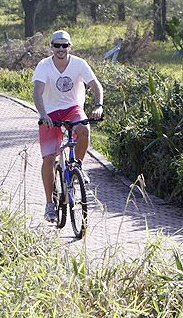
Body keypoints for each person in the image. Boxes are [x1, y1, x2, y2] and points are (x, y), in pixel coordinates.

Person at [32, 30, 104, 223]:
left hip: (72, 108)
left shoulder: (79, 64)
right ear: (51, 47)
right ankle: (49, 204)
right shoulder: (43, 66)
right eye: (57, 45)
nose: (61, 49)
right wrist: (43, 114)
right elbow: (37, 92)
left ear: (70, 47)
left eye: (65, 45)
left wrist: (98, 106)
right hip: (50, 113)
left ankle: (77, 167)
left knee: (84, 129)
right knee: (49, 157)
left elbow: (96, 86)